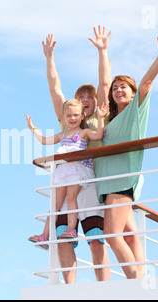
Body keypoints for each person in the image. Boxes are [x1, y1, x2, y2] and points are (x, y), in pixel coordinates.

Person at [95, 29, 158, 279]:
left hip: (122, 180)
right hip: (108, 182)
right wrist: (102, 52)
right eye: (115, 88)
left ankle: (136, 281)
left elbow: (146, 83)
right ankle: (140, 274)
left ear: (132, 94)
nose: (118, 90)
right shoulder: (111, 120)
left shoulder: (135, 112)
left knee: (112, 234)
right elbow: (102, 86)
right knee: (130, 234)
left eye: (123, 87)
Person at [34, 28, 112, 283]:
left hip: (88, 185)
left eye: (90, 97)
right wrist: (49, 58)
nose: (87, 99)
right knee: (64, 240)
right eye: (82, 97)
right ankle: (70, 291)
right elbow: (55, 88)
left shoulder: (98, 120)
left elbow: (103, 84)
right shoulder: (67, 122)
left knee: (95, 240)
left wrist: (102, 51)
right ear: (75, 103)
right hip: (66, 181)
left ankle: (104, 289)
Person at [26, 99, 108, 244]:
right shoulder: (62, 135)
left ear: (82, 116)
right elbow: (44, 140)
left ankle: (71, 229)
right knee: (55, 204)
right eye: (69, 115)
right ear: (64, 117)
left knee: (71, 198)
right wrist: (32, 128)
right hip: (63, 170)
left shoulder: (84, 132)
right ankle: (44, 234)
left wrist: (100, 118)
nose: (72, 118)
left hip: (77, 169)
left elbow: (98, 136)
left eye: (76, 115)